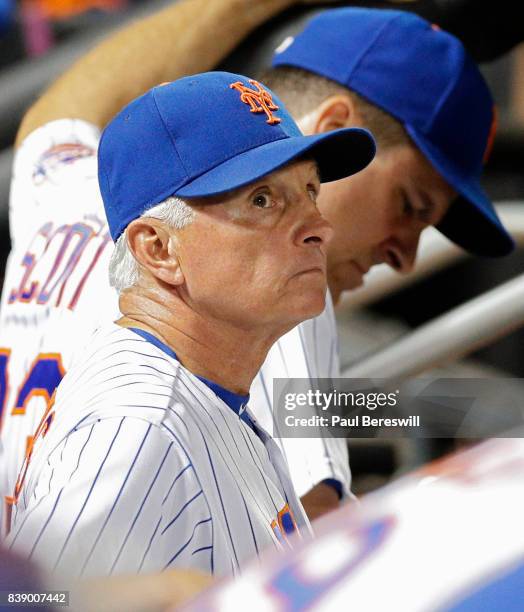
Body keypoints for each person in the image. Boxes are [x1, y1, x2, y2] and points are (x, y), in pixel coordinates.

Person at [0, 1, 514, 525]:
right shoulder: (272, 291)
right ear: (154, 248)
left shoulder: (84, 197)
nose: (404, 257)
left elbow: (58, 113)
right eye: (410, 206)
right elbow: (311, 547)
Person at [5, 71, 375, 578]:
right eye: (262, 200)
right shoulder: (139, 430)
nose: (319, 226)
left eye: (310, 190)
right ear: (158, 249)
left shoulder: (212, 395)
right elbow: (32, 603)